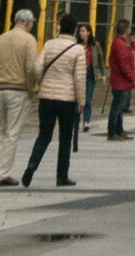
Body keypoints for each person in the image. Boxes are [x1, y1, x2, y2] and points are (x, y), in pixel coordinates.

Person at [24, 15, 87, 188]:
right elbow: (79, 79)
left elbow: (37, 67)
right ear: (74, 29)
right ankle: (61, 176)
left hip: (46, 98)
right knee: (65, 139)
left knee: (44, 135)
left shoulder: (49, 44)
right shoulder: (77, 49)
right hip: (67, 100)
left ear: (59, 27)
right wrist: (81, 102)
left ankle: (31, 166)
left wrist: (42, 82)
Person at [0, 8, 42, 186]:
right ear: (28, 23)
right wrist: (32, 89)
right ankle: (3, 173)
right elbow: (30, 68)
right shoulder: (28, 40)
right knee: (12, 132)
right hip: (18, 90)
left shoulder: (0, 39)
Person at [105, 20, 135, 140]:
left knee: (119, 107)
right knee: (117, 107)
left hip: (121, 81)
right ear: (126, 29)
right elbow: (123, 63)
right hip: (121, 81)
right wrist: (131, 77)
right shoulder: (120, 44)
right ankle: (112, 131)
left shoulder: (122, 43)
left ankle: (119, 130)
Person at [75, 19, 97, 126]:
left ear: (88, 32)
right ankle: (77, 119)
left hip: (90, 71)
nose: (81, 33)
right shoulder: (77, 45)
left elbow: (99, 59)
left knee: (88, 98)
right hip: (80, 71)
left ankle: (86, 120)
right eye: (80, 31)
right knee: (79, 97)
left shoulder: (94, 45)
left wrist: (102, 73)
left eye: (83, 31)